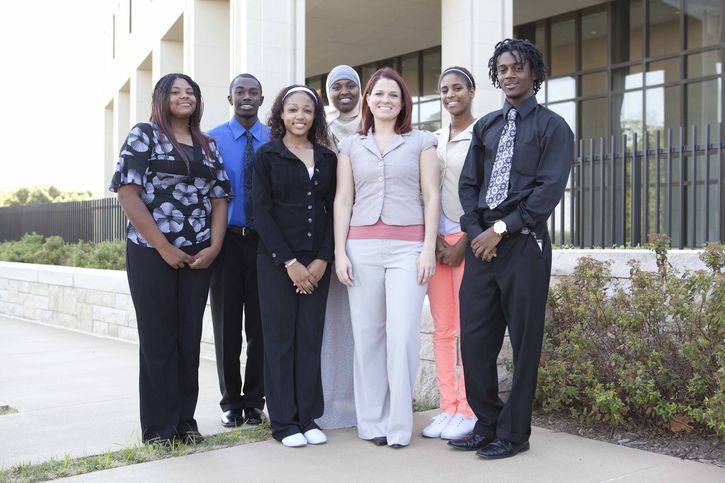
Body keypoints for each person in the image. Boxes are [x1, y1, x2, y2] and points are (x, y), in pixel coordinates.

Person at [448, 39, 574, 459]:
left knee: (524, 342)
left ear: (534, 73)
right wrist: (475, 229)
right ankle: (486, 423)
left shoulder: (554, 128)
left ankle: (514, 433)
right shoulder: (486, 126)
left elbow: (547, 192)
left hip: (523, 246)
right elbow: (469, 185)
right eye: (502, 69)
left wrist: (499, 229)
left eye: (518, 67)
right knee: (476, 339)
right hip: (483, 247)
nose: (509, 74)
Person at [109, 73, 231, 446]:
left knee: (188, 340)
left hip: (198, 256)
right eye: (176, 91)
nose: (185, 96)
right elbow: (128, 195)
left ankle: (184, 422)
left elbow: (220, 198)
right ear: (161, 97)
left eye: (191, 91)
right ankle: (158, 429)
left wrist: (214, 247)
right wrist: (164, 247)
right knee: (158, 339)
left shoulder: (207, 144)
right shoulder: (144, 134)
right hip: (151, 253)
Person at [334, 67, 440, 448]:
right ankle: (372, 423)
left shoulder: (421, 142)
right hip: (360, 248)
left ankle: (399, 425)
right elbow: (343, 199)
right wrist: (339, 251)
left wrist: (428, 248)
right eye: (379, 93)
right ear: (368, 99)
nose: (385, 100)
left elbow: (432, 196)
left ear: (403, 102)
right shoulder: (350, 146)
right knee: (367, 336)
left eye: (393, 95)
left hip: (407, 249)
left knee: (402, 335)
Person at [253, 84, 337, 447]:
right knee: (280, 342)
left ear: (315, 115)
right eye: (292, 110)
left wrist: (322, 259)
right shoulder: (266, 156)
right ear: (280, 115)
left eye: (307, 110)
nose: (300, 116)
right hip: (277, 263)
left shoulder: (328, 158)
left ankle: (308, 417)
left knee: (309, 340)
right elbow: (261, 213)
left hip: (317, 262)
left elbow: (335, 211)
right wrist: (289, 262)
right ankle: (285, 423)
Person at [207, 74, 269, 428]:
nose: (247, 97)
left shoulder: (274, 140)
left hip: (263, 242)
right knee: (227, 326)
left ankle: (255, 401)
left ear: (261, 99)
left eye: (253, 92)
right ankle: (231, 402)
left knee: (259, 327)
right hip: (226, 241)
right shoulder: (212, 139)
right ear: (230, 97)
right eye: (240, 92)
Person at [421, 66, 477, 440]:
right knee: (442, 330)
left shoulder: (483, 135)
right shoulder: (434, 139)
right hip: (436, 244)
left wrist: (464, 242)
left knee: (469, 329)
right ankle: (448, 406)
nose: (450, 94)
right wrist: (436, 241)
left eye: (458, 87)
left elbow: (489, 195)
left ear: (471, 91)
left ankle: (471, 409)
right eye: (444, 89)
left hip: (467, 241)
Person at [315, 65, 360, 431]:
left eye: (351, 85)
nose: (344, 92)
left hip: (369, 233)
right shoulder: (321, 130)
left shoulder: (373, 124)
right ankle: (332, 398)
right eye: (336, 86)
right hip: (332, 235)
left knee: (365, 321)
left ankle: (365, 399)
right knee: (333, 322)